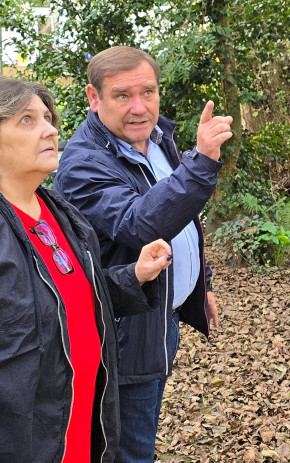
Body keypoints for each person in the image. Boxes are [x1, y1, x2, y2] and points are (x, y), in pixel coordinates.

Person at [54, 46, 233, 462]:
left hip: (160, 319)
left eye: (148, 92)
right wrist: (202, 162)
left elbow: (184, 218)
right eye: (122, 95)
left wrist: (199, 286)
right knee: (130, 449)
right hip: (122, 335)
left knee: (144, 428)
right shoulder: (83, 163)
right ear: (93, 98)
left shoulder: (156, 138)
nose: (139, 107)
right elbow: (139, 223)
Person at [0, 76, 173, 462]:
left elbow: (74, 302)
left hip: (83, 430)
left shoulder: (62, 216)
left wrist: (135, 276)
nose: (50, 129)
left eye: (47, 117)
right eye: (26, 120)